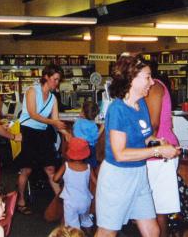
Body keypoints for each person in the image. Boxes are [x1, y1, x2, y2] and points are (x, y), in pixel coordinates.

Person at [95, 55, 180, 237]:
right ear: (132, 78)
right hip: (117, 178)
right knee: (107, 232)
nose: (152, 82)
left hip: (139, 175)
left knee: (152, 231)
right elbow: (120, 154)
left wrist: (160, 144)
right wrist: (157, 151)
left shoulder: (141, 104)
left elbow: (147, 135)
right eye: (147, 77)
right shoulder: (118, 109)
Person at [16, 64, 68, 215]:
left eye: (58, 80)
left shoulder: (53, 98)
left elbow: (56, 120)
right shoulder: (32, 91)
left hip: (41, 132)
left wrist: (66, 134)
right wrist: (54, 123)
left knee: (51, 168)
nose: (56, 83)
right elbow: (33, 114)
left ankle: (62, 202)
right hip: (27, 131)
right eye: (55, 79)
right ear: (46, 77)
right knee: (26, 169)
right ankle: (21, 200)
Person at [145, 60, 180, 237]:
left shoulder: (154, 87)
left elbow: (153, 124)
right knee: (153, 208)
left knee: (158, 208)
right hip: (155, 152)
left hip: (160, 153)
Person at [54, 137, 96, 231]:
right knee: (86, 220)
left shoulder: (66, 165)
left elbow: (55, 178)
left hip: (71, 202)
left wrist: (62, 180)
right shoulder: (88, 167)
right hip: (85, 200)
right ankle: (89, 233)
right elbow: (95, 181)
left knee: (72, 227)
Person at [73, 101, 101, 169]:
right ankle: (91, 177)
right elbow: (95, 137)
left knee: (82, 164)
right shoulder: (93, 125)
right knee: (90, 166)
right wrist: (102, 128)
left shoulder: (78, 121)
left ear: (83, 113)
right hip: (89, 148)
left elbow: (74, 132)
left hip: (78, 147)